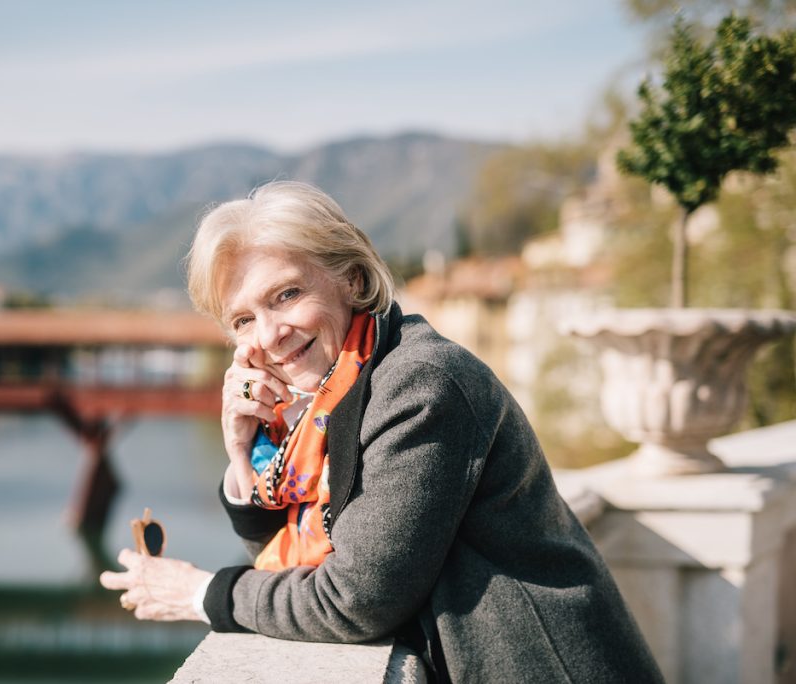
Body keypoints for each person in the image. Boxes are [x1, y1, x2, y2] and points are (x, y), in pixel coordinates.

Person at [100, 181, 663, 683]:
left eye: (286, 295)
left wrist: (199, 593)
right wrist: (244, 456)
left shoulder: (419, 385)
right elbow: (298, 559)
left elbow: (351, 599)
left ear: (353, 278)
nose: (268, 335)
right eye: (244, 319)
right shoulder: (338, 397)